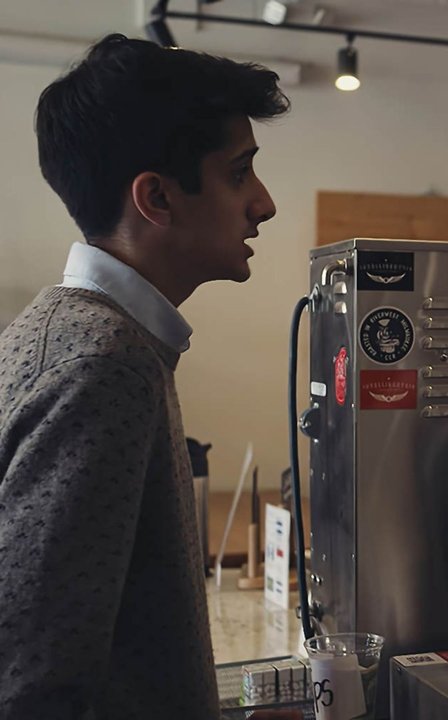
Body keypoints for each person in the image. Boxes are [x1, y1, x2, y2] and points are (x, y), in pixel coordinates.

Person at [0, 34, 287, 718]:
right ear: (156, 197)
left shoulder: (77, 333)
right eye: (239, 172)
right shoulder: (104, 362)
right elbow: (33, 688)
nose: (264, 203)